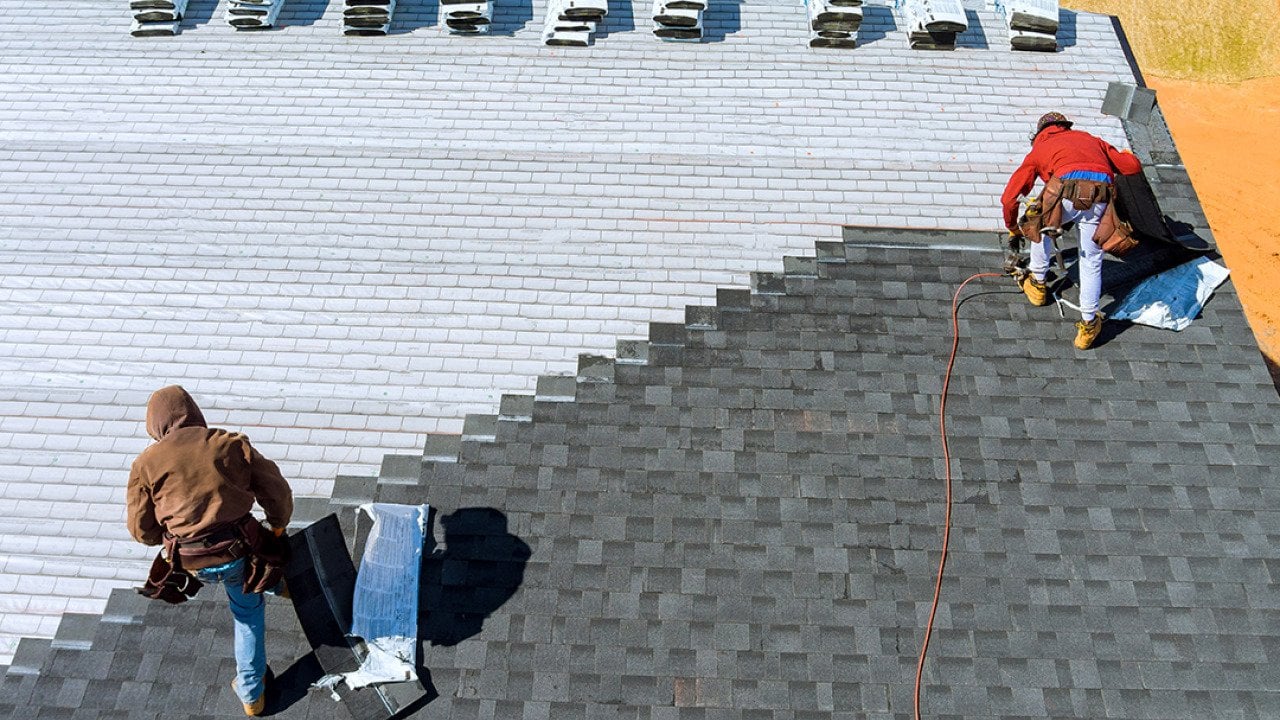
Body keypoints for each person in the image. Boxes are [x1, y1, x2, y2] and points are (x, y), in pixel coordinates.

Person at [126, 386, 293, 716]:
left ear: (155, 424)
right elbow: (277, 492)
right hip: (238, 552)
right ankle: (251, 695)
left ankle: (277, 585)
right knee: (246, 614)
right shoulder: (229, 443)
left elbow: (142, 532)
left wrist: (179, 534)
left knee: (243, 581)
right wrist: (277, 526)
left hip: (191, 562)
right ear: (194, 414)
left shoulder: (145, 465)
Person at [1001, 111, 1142, 350]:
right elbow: (1131, 167)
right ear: (1065, 127)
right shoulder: (1091, 139)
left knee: (1039, 225)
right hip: (1099, 198)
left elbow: (1009, 198)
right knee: (1091, 261)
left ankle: (1037, 284)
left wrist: (1014, 228)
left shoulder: (1040, 149)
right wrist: (1126, 154)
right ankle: (1088, 325)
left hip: (1064, 194)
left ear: (1039, 134)